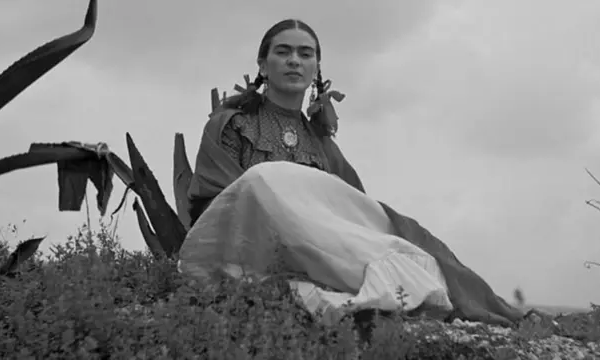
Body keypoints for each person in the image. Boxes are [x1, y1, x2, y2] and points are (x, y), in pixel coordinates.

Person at [179, 19, 525, 327]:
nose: (294, 61)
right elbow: (215, 204)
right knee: (262, 179)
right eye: (283, 52)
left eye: (305, 54)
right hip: (248, 249)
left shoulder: (322, 144)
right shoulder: (232, 125)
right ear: (263, 65)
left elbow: (348, 215)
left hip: (317, 252)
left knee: (415, 261)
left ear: (316, 68)